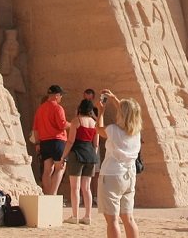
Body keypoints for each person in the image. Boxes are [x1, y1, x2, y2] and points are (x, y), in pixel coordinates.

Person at [97, 90, 142, 238]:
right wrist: (114, 99)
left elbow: (98, 129)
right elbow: (129, 113)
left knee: (112, 220)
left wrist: (101, 112)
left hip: (112, 175)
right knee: (128, 218)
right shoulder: (136, 133)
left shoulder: (113, 130)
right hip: (129, 176)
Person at [59, 99, 100, 224]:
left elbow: (70, 141)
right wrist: (93, 156)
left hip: (77, 154)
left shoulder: (77, 121)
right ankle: (88, 216)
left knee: (75, 188)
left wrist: (63, 156)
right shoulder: (94, 123)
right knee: (86, 188)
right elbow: (96, 144)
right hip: (90, 155)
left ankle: (75, 216)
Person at [33, 85, 70, 195]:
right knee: (60, 168)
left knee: (47, 170)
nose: (61, 98)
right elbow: (62, 125)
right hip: (57, 141)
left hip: (44, 142)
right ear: (57, 95)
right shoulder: (57, 108)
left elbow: (35, 129)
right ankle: (53, 194)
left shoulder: (40, 109)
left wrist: (37, 143)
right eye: (61, 95)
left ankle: (47, 194)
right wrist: (73, 124)